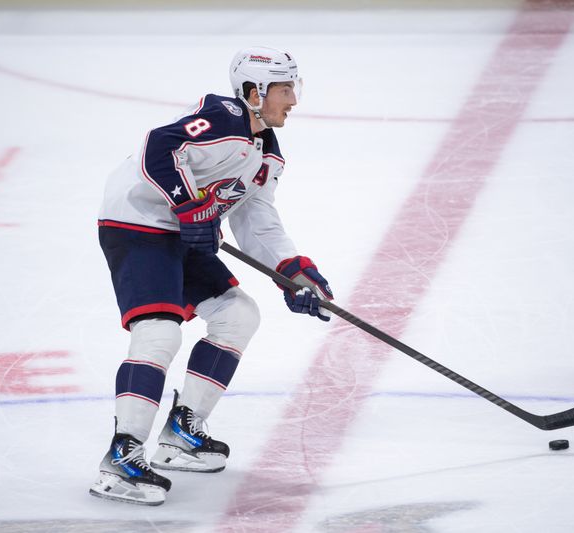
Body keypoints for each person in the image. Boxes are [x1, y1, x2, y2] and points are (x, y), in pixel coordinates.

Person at [89, 46, 334, 506]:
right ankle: (121, 458)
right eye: (284, 89)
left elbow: (256, 216)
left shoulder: (267, 151)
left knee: (238, 315)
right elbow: (160, 147)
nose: (293, 100)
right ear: (252, 93)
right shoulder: (221, 115)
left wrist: (292, 270)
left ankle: (182, 431)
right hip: (136, 224)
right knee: (159, 333)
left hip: (183, 235)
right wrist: (188, 206)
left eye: (292, 87)